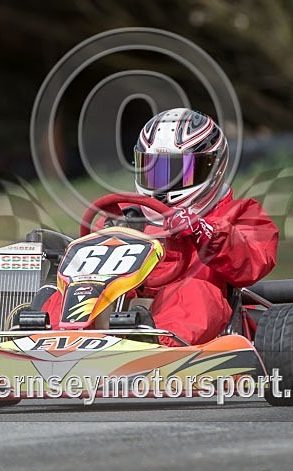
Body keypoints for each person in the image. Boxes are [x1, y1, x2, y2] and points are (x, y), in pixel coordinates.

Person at [43, 108, 279, 346]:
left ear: (212, 167)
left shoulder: (239, 213)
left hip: (198, 318)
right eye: (156, 170)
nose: (165, 181)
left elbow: (253, 262)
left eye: (179, 171)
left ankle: (156, 345)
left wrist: (203, 230)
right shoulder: (123, 213)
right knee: (69, 292)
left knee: (196, 293)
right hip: (124, 307)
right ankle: (47, 340)